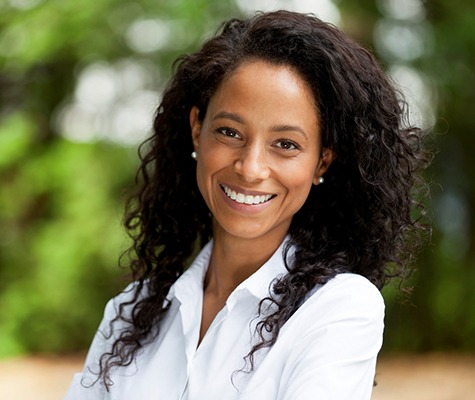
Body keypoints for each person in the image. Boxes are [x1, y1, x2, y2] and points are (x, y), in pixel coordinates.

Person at [65, 10, 429, 400]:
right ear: (196, 131)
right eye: (229, 132)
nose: (251, 168)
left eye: (286, 144)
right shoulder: (131, 313)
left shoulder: (338, 310)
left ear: (322, 160)